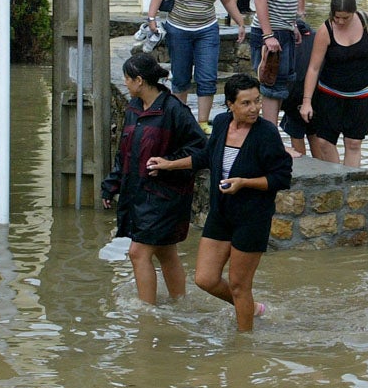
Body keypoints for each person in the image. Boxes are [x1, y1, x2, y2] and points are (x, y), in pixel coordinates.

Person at [152, 73, 293, 331]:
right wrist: (169, 164)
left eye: (257, 101)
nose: (254, 109)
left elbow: (281, 178)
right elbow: (206, 157)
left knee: (240, 285)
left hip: (251, 218)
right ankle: (251, 308)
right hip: (221, 213)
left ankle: (243, 343)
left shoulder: (267, 133)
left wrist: (244, 182)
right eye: (246, 103)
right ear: (230, 104)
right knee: (205, 279)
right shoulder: (220, 123)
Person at [101, 54, 207, 304]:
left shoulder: (174, 111)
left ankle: (147, 314)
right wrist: (111, 186)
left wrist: (169, 164)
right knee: (165, 251)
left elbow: (203, 151)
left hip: (166, 196)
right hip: (139, 193)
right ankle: (180, 303)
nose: (125, 84)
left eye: (127, 79)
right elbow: (123, 154)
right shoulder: (133, 109)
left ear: (139, 81)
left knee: (137, 253)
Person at [145, 0, 247, 131]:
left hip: (207, 30)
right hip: (179, 29)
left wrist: (240, 22)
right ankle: (180, 120)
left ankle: (202, 122)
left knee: (207, 76)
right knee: (181, 77)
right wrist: (151, 17)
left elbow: (226, 0)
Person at [250, 0, 325, 124]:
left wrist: (293, 25)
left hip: (284, 31)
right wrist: (268, 35)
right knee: (271, 88)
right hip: (271, 33)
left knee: (282, 85)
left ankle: (271, 137)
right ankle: (271, 140)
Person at [299, 0, 368, 168]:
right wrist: (307, 101)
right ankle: (337, 179)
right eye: (337, 18)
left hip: (362, 94)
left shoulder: (367, 21)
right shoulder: (325, 30)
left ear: (354, 13)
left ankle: (350, 186)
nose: (341, 22)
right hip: (330, 93)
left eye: (346, 18)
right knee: (324, 143)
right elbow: (313, 68)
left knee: (353, 143)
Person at [280, 18, 315, 157]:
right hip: (315, 96)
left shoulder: (287, 39)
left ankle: (302, 162)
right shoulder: (316, 37)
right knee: (314, 133)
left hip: (293, 96)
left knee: (296, 132)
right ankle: (322, 166)